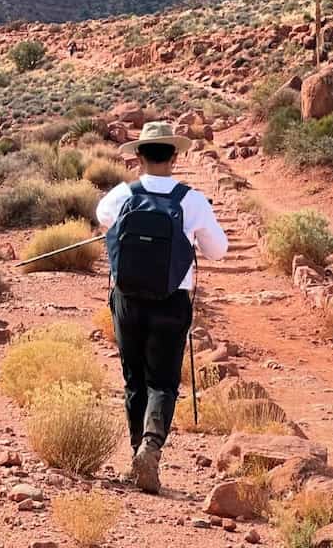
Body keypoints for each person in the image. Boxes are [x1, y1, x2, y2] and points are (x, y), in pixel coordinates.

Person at [96, 121, 228, 494]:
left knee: (133, 380)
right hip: (171, 301)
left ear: (138, 156)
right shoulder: (192, 200)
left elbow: (104, 219)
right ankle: (151, 449)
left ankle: (136, 451)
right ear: (174, 155)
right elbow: (218, 251)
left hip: (127, 300)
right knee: (163, 381)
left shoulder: (121, 195)